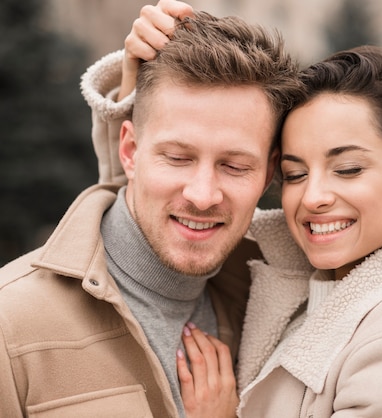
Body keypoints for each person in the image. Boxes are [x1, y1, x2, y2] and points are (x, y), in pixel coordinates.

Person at [88, 6, 382, 416]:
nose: (314, 196)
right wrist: (138, 94)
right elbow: (155, 216)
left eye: (348, 168)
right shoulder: (297, 277)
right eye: (296, 174)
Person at [0, 2, 301, 416]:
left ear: (268, 175)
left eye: (234, 166)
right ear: (129, 151)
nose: (202, 194)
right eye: (177, 158)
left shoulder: (276, 307)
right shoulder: (10, 324)